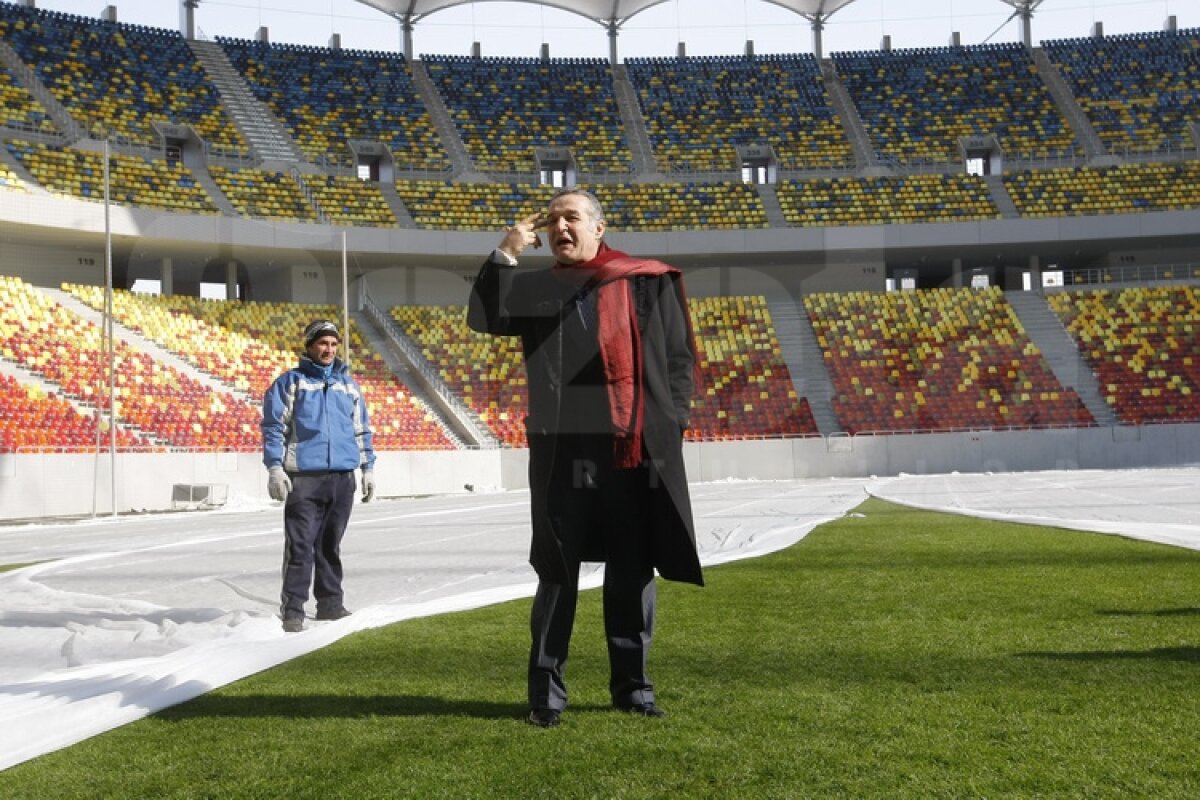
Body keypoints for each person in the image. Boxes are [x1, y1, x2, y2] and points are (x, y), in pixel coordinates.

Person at [467, 188, 703, 728]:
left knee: (632, 569)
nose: (560, 229)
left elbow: (678, 359)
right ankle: (546, 695)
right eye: (553, 222)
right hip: (563, 455)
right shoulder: (538, 287)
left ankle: (633, 688)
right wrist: (506, 252)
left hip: (631, 451)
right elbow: (483, 316)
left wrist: (673, 424)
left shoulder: (646, 279)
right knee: (556, 573)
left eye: (571, 218)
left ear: (599, 227)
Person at [262, 319, 376, 633]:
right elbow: (274, 428)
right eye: (322, 343)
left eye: (333, 344)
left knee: (330, 546)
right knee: (300, 547)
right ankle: (293, 609)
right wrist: (275, 468)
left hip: (342, 478)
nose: (328, 349)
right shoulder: (291, 382)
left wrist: (367, 470)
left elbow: (361, 430)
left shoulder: (348, 386)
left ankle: (330, 605)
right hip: (305, 480)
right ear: (310, 346)